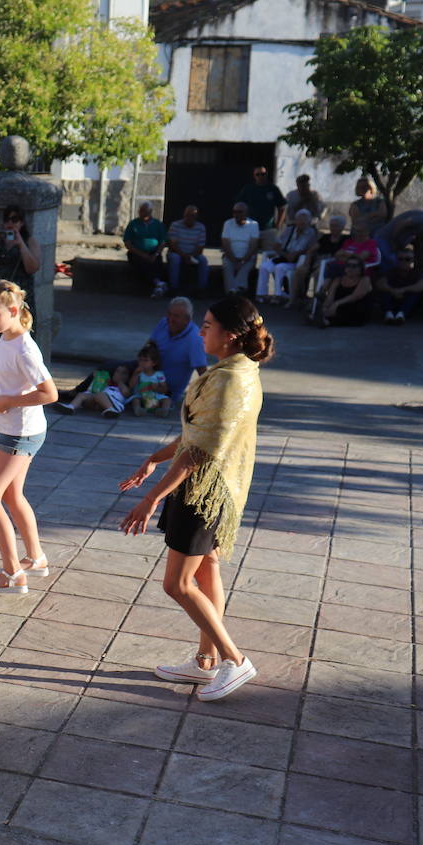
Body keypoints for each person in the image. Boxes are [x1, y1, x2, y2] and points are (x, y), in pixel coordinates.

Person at [119, 296, 273, 702]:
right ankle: (205, 663)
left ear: (231, 335)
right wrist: (153, 459)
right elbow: (195, 435)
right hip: (206, 489)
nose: (201, 331)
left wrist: (150, 499)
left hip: (205, 493)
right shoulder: (234, 370)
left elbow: (198, 453)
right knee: (205, 574)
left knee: (178, 583)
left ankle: (234, 660)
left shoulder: (230, 380)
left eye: (207, 325)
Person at [0, 279, 58, 595]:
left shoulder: (25, 348)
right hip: (17, 429)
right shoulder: (6, 339)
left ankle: (12, 574)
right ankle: (35, 558)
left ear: (13, 311)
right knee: (10, 496)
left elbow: (49, 393)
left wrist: (9, 402)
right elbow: (2, 379)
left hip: (20, 433)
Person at [148, 296, 207, 403]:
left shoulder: (194, 338)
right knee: (116, 368)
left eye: (176, 316)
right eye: (169, 314)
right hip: (147, 374)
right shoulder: (163, 323)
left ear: (187, 319)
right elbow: (148, 348)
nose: (171, 319)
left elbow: (202, 371)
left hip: (166, 388)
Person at [256, 208, 318, 305]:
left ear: (308, 222)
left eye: (304, 221)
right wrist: (285, 254)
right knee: (264, 267)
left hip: (297, 261)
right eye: (299, 220)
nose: (301, 223)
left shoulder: (311, 233)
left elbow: (310, 249)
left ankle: (278, 295)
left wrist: (296, 254)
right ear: (296, 220)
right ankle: (261, 294)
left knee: (279, 268)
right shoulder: (288, 230)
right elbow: (277, 245)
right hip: (283, 256)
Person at [0, 205, 40, 295]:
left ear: (21, 222)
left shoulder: (30, 241)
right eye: (6, 219)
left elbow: (32, 269)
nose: (10, 223)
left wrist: (21, 244)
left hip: (19, 293)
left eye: (14, 219)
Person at [123, 200, 168, 297]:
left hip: (153, 251)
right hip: (137, 252)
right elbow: (127, 242)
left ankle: (157, 285)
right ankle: (158, 283)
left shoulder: (158, 224)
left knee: (156, 262)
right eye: (140, 210)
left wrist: (156, 254)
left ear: (150, 212)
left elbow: (163, 242)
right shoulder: (133, 224)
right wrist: (142, 254)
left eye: (144, 211)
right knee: (140, 262)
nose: (141, 213)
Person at [314, 256, 372, 327]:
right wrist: (325, 306)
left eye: (354, 266)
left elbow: (356, 296)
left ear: (360, 269)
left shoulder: (365, 279)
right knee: (325, 309)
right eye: (348, 265)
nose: (350, 268)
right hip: (338, 306)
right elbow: (331, 296)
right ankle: (323, 318)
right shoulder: (338, 279)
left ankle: (325, 321)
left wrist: (336, 303)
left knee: (344, 310)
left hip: (356, 306)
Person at [165, 204, 209, 296]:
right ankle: (174, 288)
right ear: (184, 215)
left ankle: (201, 289)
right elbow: (173, 245)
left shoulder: (201, 227)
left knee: (203, 260)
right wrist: (184, 256)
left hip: (193, 254)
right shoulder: (175, 225)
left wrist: (191, 256)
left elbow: (200, 248)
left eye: (192, 216)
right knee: (175, 258)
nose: (189, 218)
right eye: (187, 215)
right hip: (177, 252)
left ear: (196, 217)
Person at [60, 363, 132, 419]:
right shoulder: (108, 382)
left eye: (124, 373)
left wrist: (120, 382)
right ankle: (71, 407)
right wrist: (97, 378)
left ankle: (111, 410)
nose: (119, 374)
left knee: (100, 395)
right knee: (82, 395)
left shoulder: (124, 386)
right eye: (117, 371)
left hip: (113, 403)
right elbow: (95, 388)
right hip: (96, 402)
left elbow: (126, 393)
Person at [235, 166, 286, 244]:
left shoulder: (273, 188)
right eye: (258, 174)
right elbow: (239, 205)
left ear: (266, 175)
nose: (260, 176)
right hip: (250, 227)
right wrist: (241, 222)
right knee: (249, 252)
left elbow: (282, 207)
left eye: (263, 174)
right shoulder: (248, 188)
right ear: (254, 176)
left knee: (269, 254)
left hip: (268, 228)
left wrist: (279, 225)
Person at [219, 202, 260, 295]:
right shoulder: (228, 223)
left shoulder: (254, 224)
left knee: (245, 267)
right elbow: (225, 244)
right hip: (230, 256)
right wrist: (234, 260)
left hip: (247, 257)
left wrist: (242, 261)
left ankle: (233, 290)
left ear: (246, 213)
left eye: (239, 212)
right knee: (227, 265)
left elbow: (253, 246)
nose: (236, 214)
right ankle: (237, 290)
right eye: (234, 212)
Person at [378, 248, 423, 325]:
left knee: (414, 294)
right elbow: (380, 284)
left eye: (407, 259)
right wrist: (393, 291)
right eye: (400, 259)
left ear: (412, 260)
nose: (404, 261)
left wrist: (402, 290)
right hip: (391, 300)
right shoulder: (390, 271)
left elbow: (421, 286)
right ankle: (389, 314)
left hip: (406, 302)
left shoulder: (416, 272)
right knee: (384, 292)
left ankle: (401, 315)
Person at [128, 342, 171, 417]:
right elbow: (131, 386)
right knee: (135, 399)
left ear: (154, 363)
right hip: (141, 395)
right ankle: (138, 410)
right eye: (140, 360)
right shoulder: (139, 373)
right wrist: (135, 374)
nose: (142, 363)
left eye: (145, 360)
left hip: (154, 395)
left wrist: (157, 388)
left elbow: (164, 389)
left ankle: (163, 411)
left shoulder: (159, 374)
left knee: (167, 400)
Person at [313, 214, 349, 292]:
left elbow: (341, 254)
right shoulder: (325, 237)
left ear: (342, 227)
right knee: (300, 271)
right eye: (331, 225)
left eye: (336, 226)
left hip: (332, 263)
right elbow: (312, 249)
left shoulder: (346, 239)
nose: (333, 228)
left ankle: (315, 300)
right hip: (319, 261)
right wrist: (306, 262)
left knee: (318, 274)